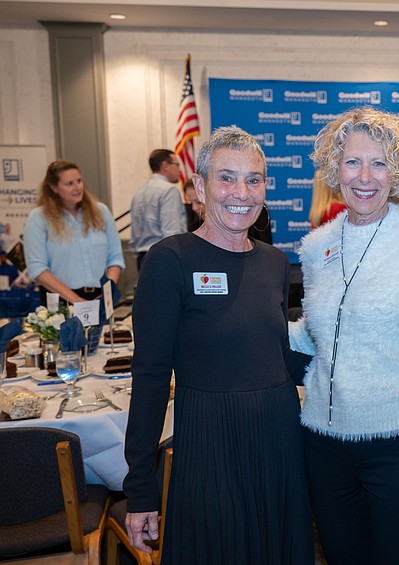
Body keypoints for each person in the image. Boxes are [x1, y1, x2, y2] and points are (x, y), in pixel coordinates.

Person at [124, 126, 313, 564]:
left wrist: (352, 363)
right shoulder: (169, 260)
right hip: (209, 442)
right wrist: (140, 489)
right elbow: (150, 377)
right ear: (199, 187)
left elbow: (279, 355)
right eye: (227, 178)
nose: (241, 193)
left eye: (254, 179)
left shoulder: (275, 261)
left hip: (279, 439)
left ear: (265, 188)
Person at [290, 106, 399, 564]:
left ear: (398, 170)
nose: (364, 176)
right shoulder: (315, 248)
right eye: (352, 162)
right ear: (335, 169)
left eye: (379, 162)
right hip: (324, 448)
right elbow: (318, 338)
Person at [23, 160, 124, 349]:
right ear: (53, 187)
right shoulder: (39, 217)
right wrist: (77, 301)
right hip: (60, 301)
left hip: (98, 298)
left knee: (96, 355)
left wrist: (106, 294)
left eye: (79, 181)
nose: (77, 187)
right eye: (69, 183)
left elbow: (115, 257)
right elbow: (37, 268)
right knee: (68, 358)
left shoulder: (101, 211)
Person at [129, 149, 187, 269]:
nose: (179, 170)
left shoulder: (139, 193)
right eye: (177, 164)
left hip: (142, 258)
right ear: (165, 166)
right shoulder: (169, 191)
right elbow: (171, 234)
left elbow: (134, 236)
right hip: (164, 258)